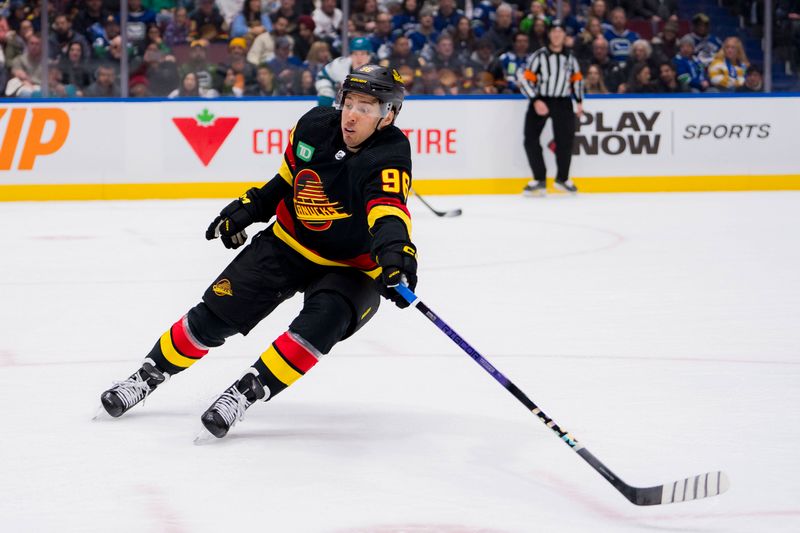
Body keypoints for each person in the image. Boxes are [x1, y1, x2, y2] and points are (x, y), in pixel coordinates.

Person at [99, 65, 418, 442]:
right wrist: (248, 210)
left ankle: (246, 391)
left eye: (366, 107)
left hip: (351, 266)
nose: (351, 114)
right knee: (215, 316)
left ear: (389, 115)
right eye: (349, 102)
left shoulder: (391, 153)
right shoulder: (314, 126)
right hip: (288, 242)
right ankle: (148, 374)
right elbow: (287, 181)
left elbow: (387, 211)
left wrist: (397, 254)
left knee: (322, 322)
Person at [517, 19, 584, 196]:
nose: (556, 35)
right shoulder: (539, 56)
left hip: (563, 101)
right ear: (549, 35)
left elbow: (576, 80)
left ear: (564, 36)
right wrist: (536, 100)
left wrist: (579, 102)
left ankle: (563, 178)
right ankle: (539, 179)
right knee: (530, 139)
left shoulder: (570, 58)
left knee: (565, 141)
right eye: (553, 31)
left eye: (560, 32)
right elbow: (525, 81)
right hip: (542, 100)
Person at [315, 36, 373, 105]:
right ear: (350, 55)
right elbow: (322, 76)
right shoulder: (340, 65)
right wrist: (327, 91)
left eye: (363, 54)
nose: (359, 58)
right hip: (345, 99)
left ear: (369, 56)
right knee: (326, 94)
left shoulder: (376, 71)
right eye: (355, 54)